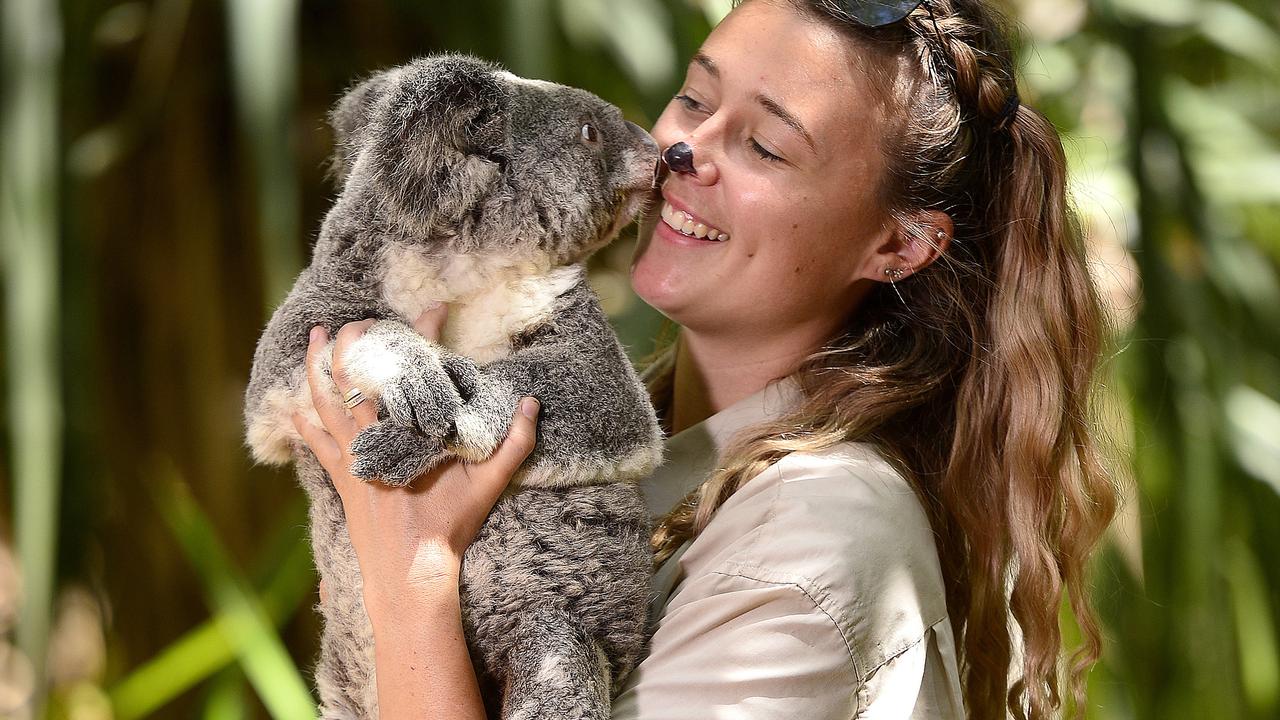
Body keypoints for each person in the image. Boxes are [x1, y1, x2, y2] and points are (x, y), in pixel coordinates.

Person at [291, 0, 1119, 717]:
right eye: (694, 97)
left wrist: (407, 579)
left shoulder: (818, 540)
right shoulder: (626, 444)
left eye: (765, 146)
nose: (686, 149)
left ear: (897, 244)